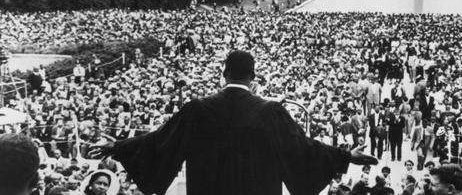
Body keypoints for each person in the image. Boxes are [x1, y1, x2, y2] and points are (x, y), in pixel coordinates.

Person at [90, 50, 377, 195]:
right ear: (253, 78)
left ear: (224, 74)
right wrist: (346, 156)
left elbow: (159, 142)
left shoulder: (197, 110)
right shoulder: (271, 112)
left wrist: (118, 146)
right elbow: (302, 150)